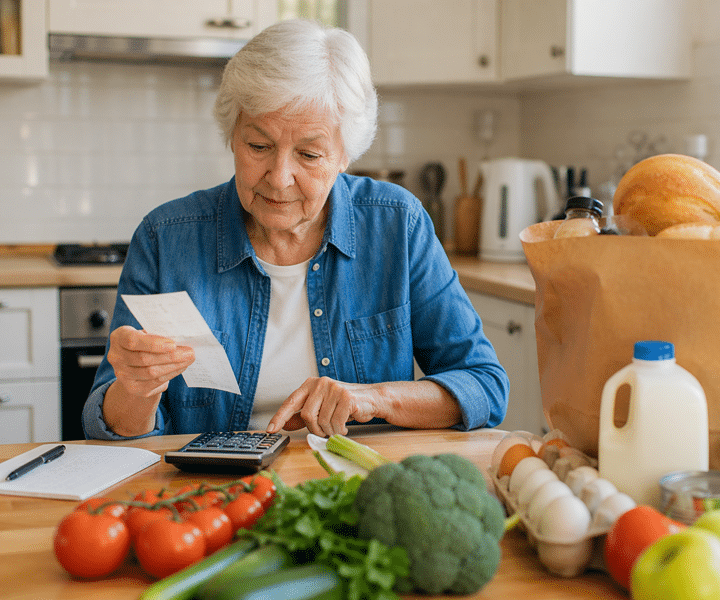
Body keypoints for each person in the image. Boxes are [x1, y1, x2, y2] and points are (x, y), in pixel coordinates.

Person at [82, 19, 509, 441]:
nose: (279, 177)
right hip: (213, 495)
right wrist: (137, 390)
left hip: (349, 487)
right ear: (232, 136)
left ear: (345, 155)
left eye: (308, 154)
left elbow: (484, 387)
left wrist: (372, 399)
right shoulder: (165, 238)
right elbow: (110, 427)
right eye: (259, 146)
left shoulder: (396, 224)